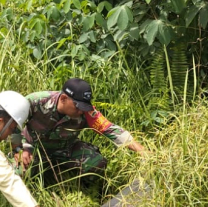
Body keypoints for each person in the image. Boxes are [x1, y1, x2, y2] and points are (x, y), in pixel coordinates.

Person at [10, 78, 146, 185]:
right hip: (34, 149)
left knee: (97, 163)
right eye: (77, 107)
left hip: (65, 149)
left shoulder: (87, 113)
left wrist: (143, 152)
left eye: (84, 107)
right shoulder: (36, 101)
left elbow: (110, 130)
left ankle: (74, 182)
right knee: (15, 173)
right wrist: (19, 150)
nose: (81, 111)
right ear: (63, 99)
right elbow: (13, 123)